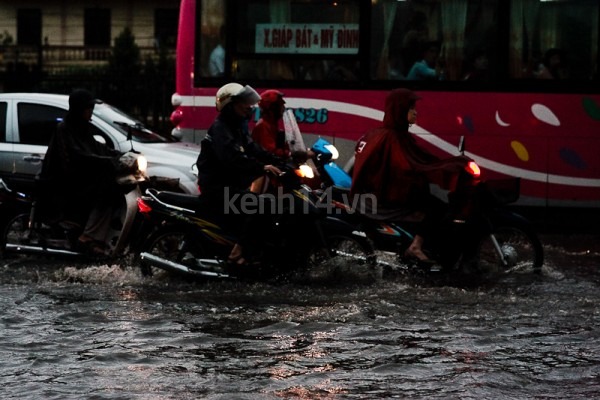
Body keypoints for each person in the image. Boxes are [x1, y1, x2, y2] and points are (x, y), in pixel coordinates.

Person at [350, 88, 468, 264]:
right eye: (411, 108)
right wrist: (449, 167)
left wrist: (452, 164)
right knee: (439, 209)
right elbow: (413, 165)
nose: (415, 111)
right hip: (386, 201)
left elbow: (422, 159)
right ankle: (416, 246)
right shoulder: (392, 139)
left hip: (381, 195)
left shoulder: (383, 134)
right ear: (399, 110)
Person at [196, 83, 282, 266]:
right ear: (230, 105)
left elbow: (254, 149)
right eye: (243, 102)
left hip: (231, 186)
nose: (248, 106)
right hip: (217, 189)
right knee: (260, 204)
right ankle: (238, 251)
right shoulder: (221, 129)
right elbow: (233, 158)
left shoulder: (236, 127)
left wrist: (279, 161)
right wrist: (262, 168)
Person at [39, 88, 123, 256]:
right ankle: (88, 236)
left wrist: (121, 156)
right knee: (107, 190)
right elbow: (78, 155)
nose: (90, 112)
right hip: (63, 183)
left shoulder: (84, 128)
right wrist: (109, 162)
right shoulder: (64, 129)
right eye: (88, 108)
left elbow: (98, 148)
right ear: (79, 109)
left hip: (80, 178)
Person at [251, 89, 316, 193]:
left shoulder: (272, 124)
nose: (283, 108)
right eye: (280, 105)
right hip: (266, 173)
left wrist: (299, 150)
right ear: (272, 108)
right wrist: (291, 153)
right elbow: (270, 151)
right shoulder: (263, 126)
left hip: (277, 168)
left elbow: (282, 145)